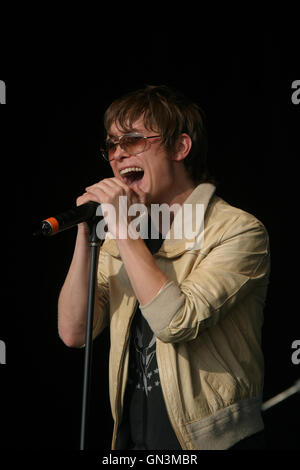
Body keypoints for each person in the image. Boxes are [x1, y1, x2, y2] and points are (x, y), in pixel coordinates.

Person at [58, 85, 270, 450]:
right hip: (131, 442)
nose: (119, 154)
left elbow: (176, 322)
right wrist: (86, 230)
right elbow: (75, 331)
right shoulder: (121, 235)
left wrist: (122, 226)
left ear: (180, 147)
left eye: (134, 140)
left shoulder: (238, 230)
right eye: (112, 145)